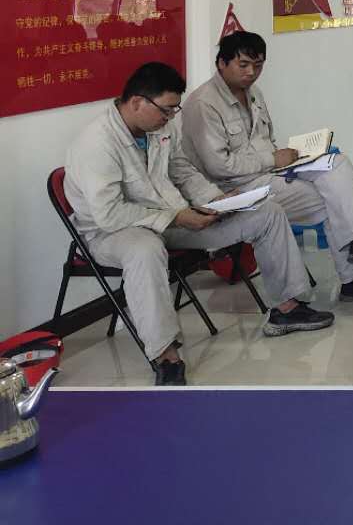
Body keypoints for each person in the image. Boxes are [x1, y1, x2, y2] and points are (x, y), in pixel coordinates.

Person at [64, 63, 331, 386]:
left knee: (267, 212)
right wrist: (176, 216)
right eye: (166, 110)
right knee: (145, 250)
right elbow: (109, 213)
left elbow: (182, 171)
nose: (170, 118)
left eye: (174, 109)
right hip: (112, 233)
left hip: (171, 217)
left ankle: (287, 309)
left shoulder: (160, 128)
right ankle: (165, 355)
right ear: (136, 102)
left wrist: (216, 200)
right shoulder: (97, 143)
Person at [182, 31, 353, 303]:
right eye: (243, 65)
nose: (251, 72)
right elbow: (218, 166)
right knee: (330, 200)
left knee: (336, 163)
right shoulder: (203, 104)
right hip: (234, 189)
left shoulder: (254, 94)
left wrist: (289, 159)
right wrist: (273, 159)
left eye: (258, 65)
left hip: (269, 172)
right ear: (222, 63)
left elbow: (266, 140)